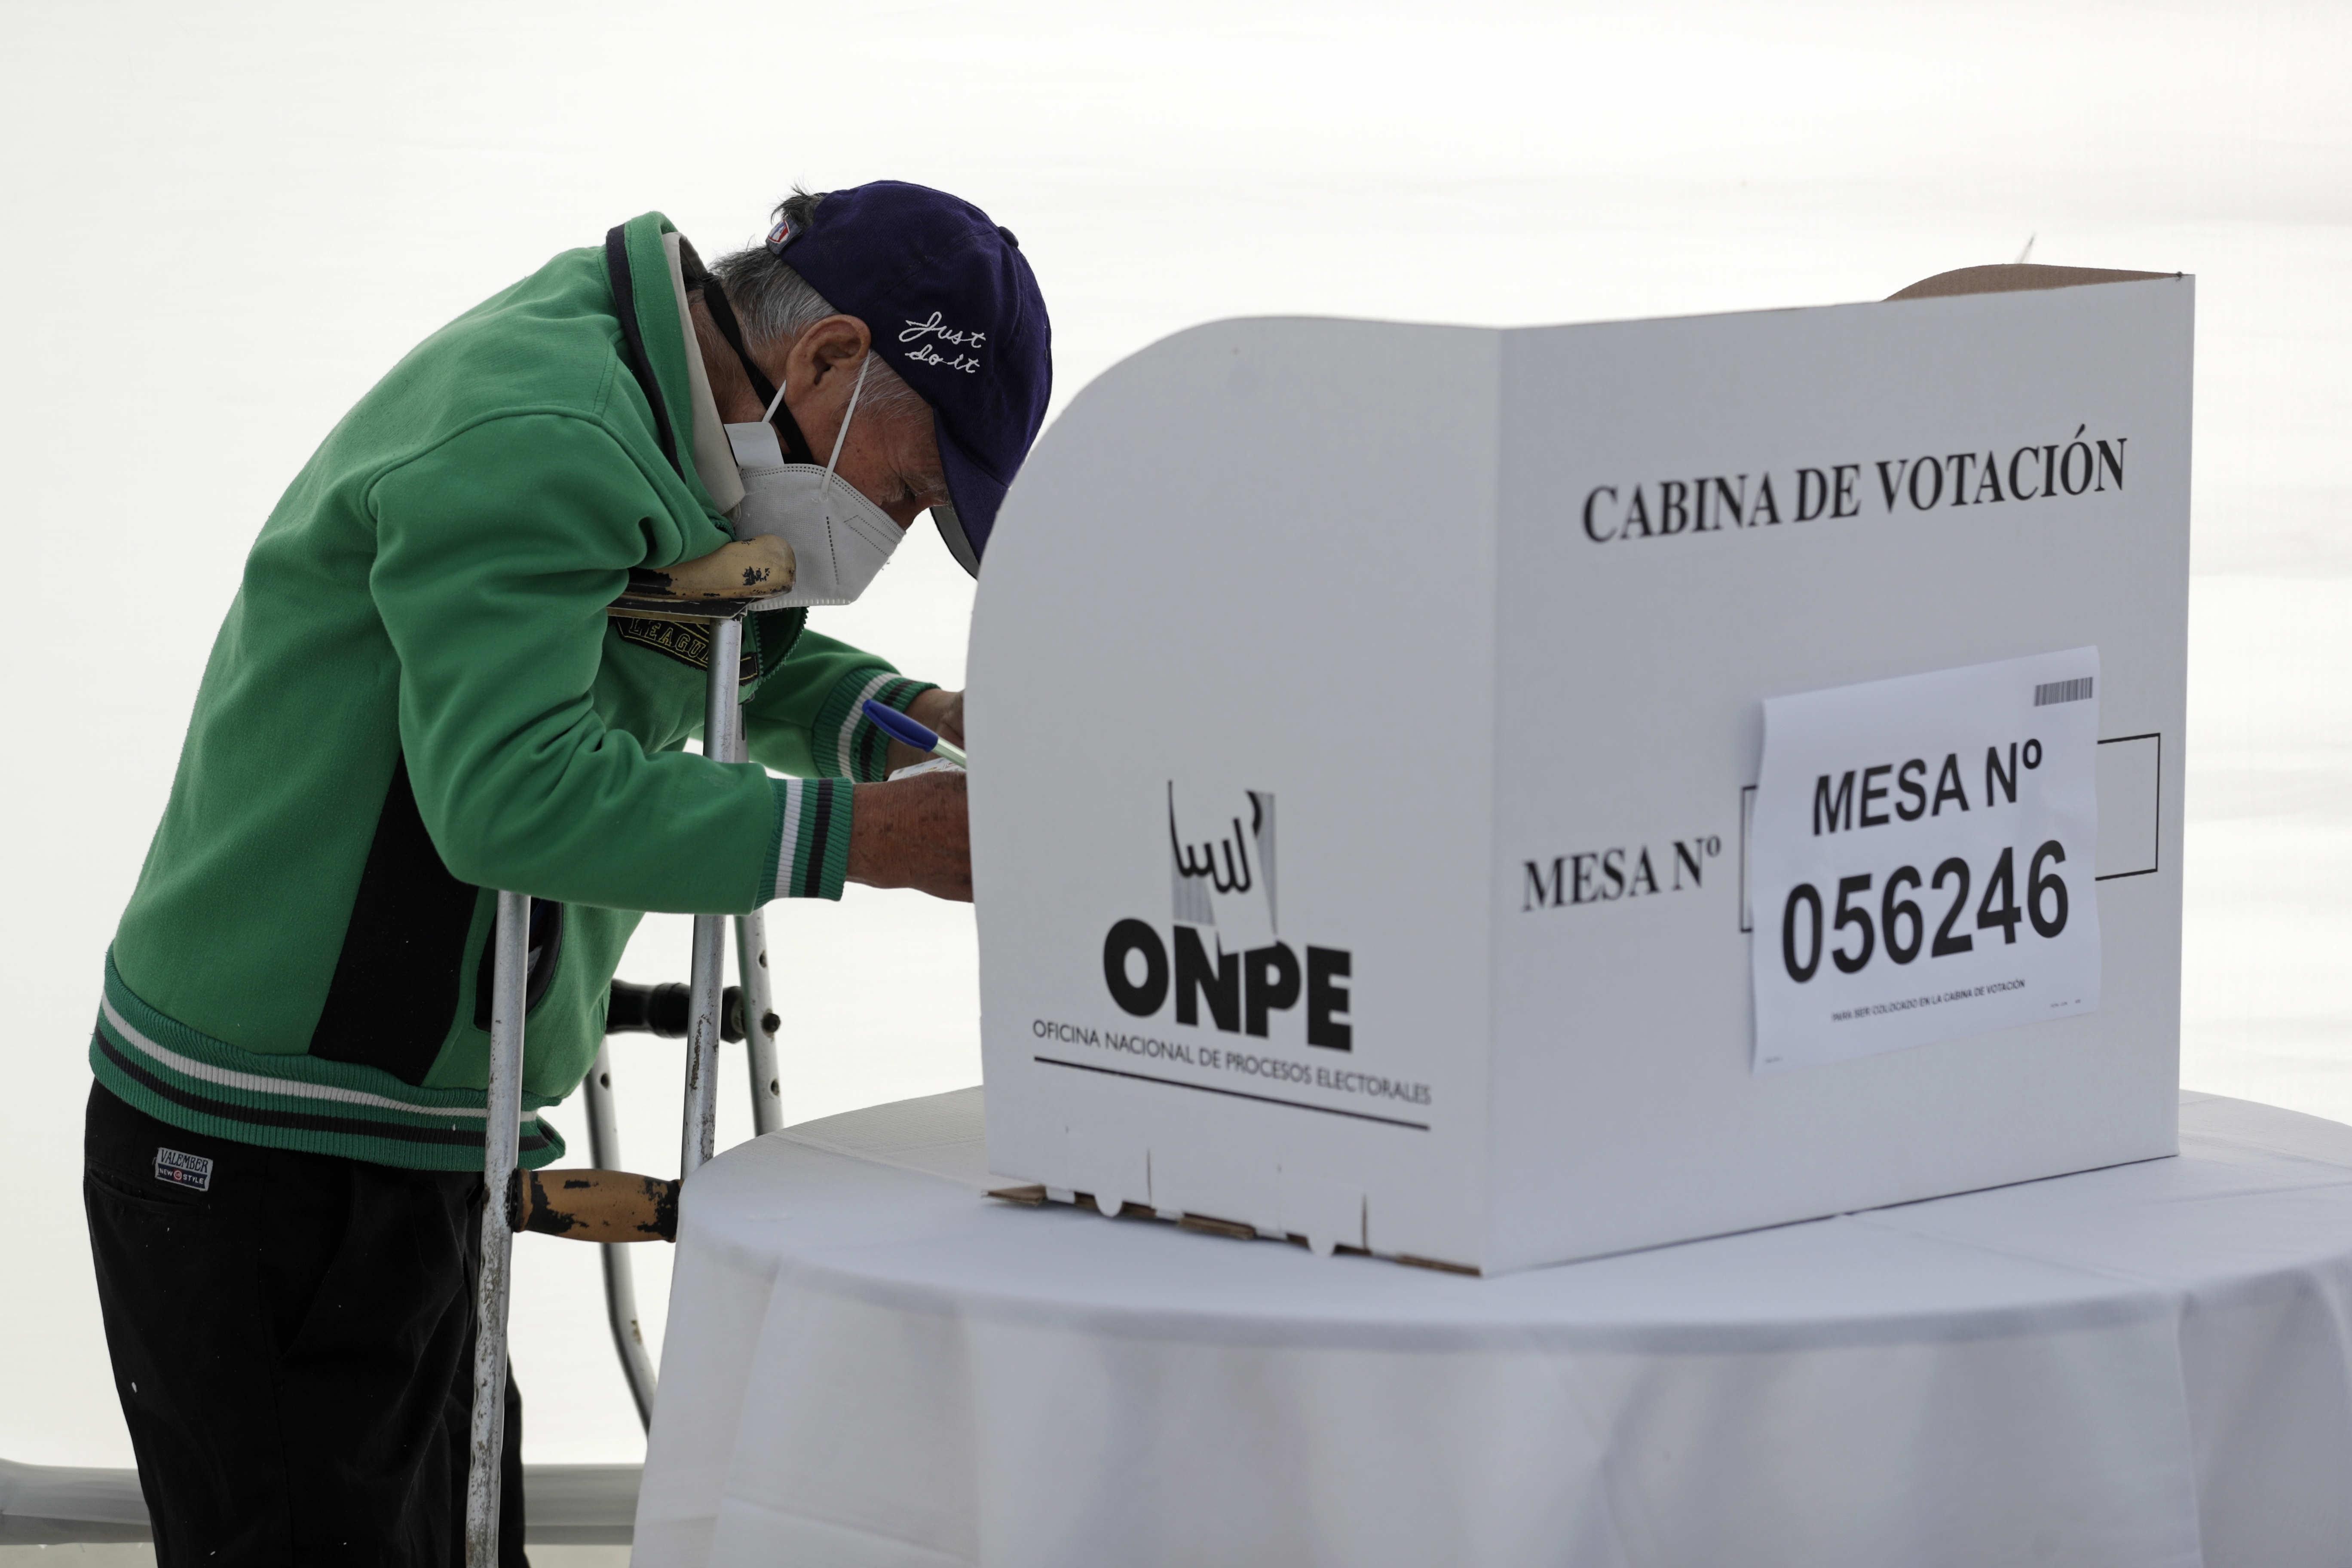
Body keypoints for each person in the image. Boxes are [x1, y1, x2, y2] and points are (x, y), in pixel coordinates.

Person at [79, 181, 1051, 1565]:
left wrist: (911, 724)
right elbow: (508, 790)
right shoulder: (542, 434)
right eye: (908, 487)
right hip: (267, 1141)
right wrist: (869, 843)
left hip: (412, 1127)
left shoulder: (655, 407)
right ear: (827, 355)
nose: (894, 534)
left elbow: (690, 644)